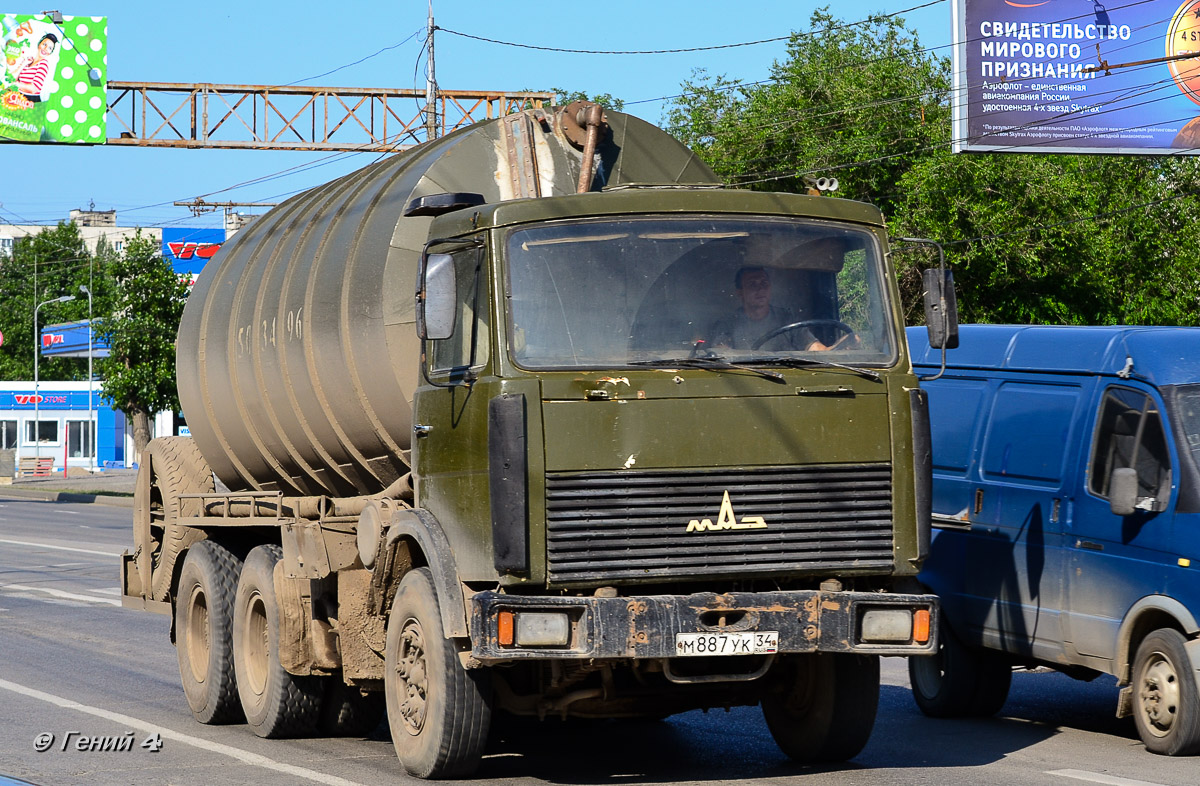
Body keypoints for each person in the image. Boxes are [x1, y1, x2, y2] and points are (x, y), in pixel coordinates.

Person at [708, 266, 833, 351]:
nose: (760, 289)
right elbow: (722, 357)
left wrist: (843, 345)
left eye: (764, 283)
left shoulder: (787, 319)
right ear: (740, 293)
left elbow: (815, 348)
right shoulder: (727, 324)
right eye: (752, 284)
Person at [16, 34, 56, 101]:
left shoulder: (43, 64)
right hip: (18, 96)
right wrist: (24, 64)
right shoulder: (28, 61)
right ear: (39, 44)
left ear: (50, 52)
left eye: (49, 48)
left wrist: (16, 84)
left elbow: (34, 89)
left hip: (30, 100)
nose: (45, 49)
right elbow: (13, 79)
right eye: (44, 44)